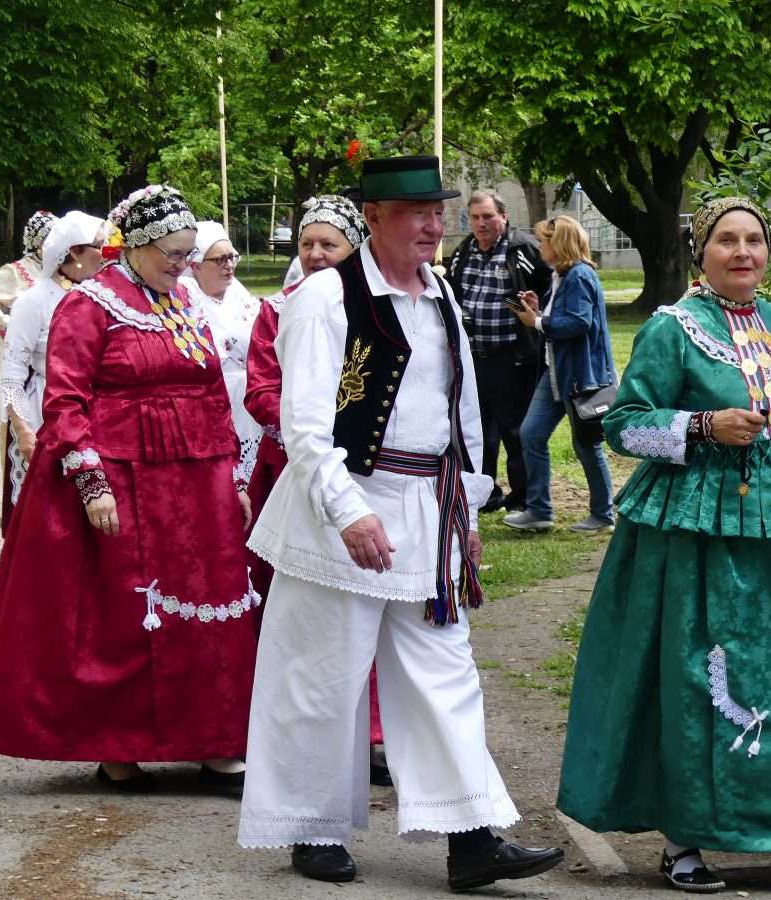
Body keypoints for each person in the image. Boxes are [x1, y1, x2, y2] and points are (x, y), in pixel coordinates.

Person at [239, 156, 564, 889]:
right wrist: (348, 510)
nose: (432, 225)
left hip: (428, 507)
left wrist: (470, 503)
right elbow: (305, 424)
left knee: (445, 673)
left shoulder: (440, 291)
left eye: (438, 212)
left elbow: (462, 407)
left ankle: (471, 837)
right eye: (417, 213)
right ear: (374, 218)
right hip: (341, 510)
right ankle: (311, 827)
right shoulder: (325, 298)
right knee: (322, 675)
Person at [557, 197, 771, 893]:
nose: (743, 252)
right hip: (697, 529)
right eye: (727, 240)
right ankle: (684, 841)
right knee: (698, 678)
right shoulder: (673, 329)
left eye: (754, 240)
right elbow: (622, 425)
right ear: (701, 253)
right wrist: (704, 425)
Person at [0, 184, 259, 791]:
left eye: (188, 253)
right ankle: (118, 748)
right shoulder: (89, 305)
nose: (183, 265)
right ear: (139, 246)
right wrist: (92, 481)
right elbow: (65, 400)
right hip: (121, 477)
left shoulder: (184, 301)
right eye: (173, 254)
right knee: (125, 615)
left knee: (205, 602)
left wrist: (232, 474)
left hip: (195, 479)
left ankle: (212, 740)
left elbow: (211, 392)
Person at [242, 194, 391, 787]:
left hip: (363, 474)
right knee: (303, 608)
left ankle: (373, 731)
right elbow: (261, 389)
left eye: (329, 244)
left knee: (367, 597)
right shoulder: (277, 311)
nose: (315, 253)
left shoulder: (376, 308)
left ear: (354, 248)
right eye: (307, 243)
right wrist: (310, 431)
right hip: (290, 469)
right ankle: (302, 740)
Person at [504, 215, 616, 532]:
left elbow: (579, 322)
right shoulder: (562, 275)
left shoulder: (579, 275)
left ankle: (602, 515)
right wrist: (539, 310)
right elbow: (565, 317)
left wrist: (537, 322)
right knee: (531, 434)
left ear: (559, 243)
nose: (540, 245)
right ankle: (539, 511)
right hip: (557, 372)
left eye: (544, 240)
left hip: (579, 376)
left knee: (586, 445)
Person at [0, 210, 106, 531]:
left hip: (95, 418)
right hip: (45, 418)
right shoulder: (34, 301)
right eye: (99, 246)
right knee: (50, 518)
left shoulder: (101, 298)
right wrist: (23, 430)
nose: (107, 253)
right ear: (74, 251)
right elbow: (12, 371)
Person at [446, 190, 552, 513]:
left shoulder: (523, 249)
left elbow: (548, 287)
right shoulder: (463, 251)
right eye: (475, 217)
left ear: (504, 216)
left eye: (488, 216)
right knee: (479, 428)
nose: (481, 223)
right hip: (474, 355)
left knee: (514, 428)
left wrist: (536, 313)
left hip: (514, 355)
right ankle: (485, 492)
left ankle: (523, 497)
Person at [181, 220, 263, 485]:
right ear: (196, 266)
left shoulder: (239, 295)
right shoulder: (184, 299)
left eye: (232, 257)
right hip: (211, 405)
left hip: (249, 402)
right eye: (219, 259)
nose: (229, 265)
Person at [0, 210, 58, 337]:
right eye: (52, 240)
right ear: (38, 243)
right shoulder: (17, 271)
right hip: (30, 345)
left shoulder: (65, 268)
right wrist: (12, 326)